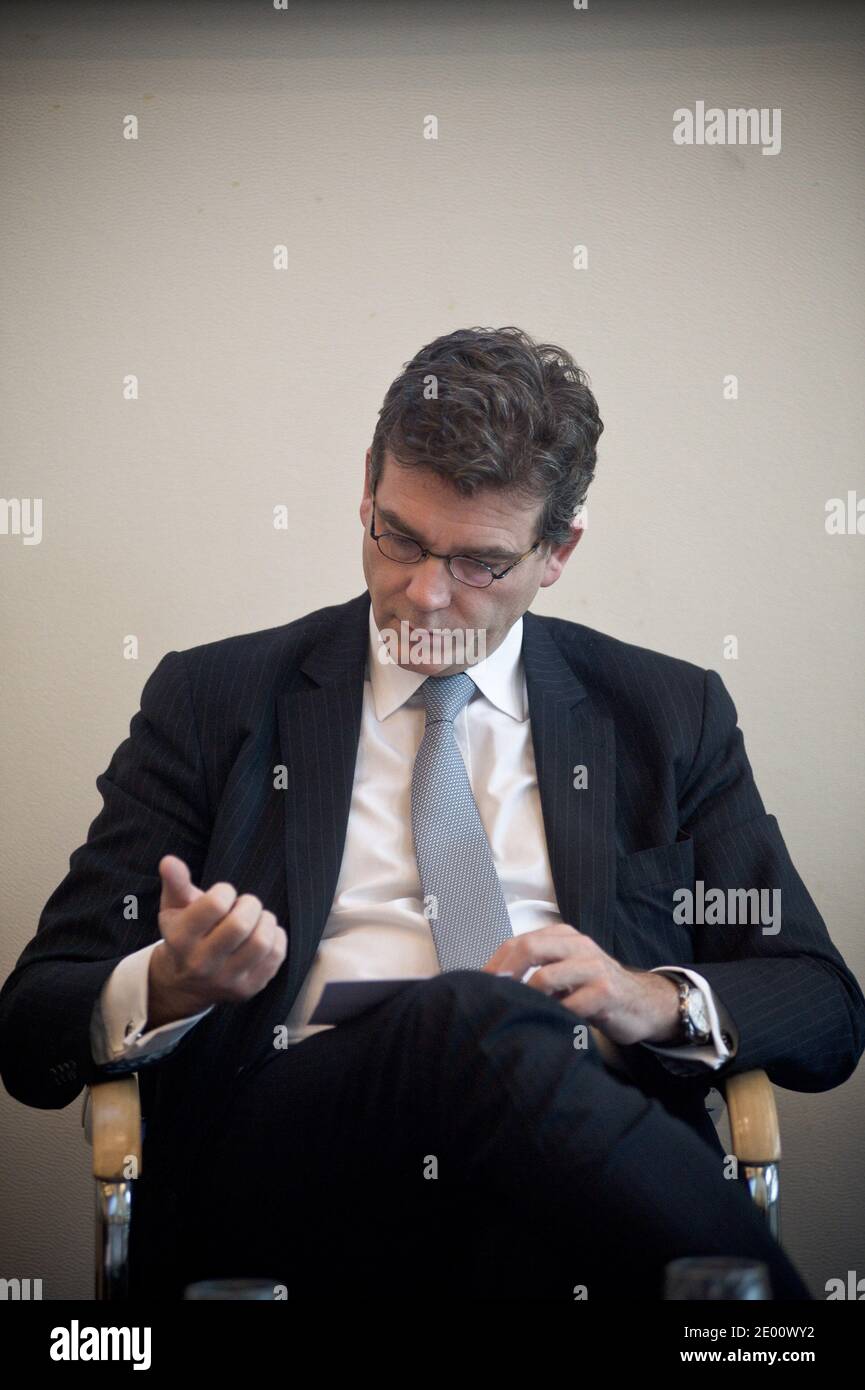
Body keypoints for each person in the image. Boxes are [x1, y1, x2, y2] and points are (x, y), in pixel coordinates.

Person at [2, 326, 863, 1302]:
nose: (424, 593)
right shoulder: (215, 699)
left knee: (506, 1100)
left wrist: (651, 998)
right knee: (470, 1014)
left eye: (480, 563)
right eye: (398, 537)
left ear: (557, 550)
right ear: (365, 487)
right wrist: (167, 980)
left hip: (580, 1175)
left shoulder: (665, 712)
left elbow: (824, 1009)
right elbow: (32, 1026)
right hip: (292, 1160)